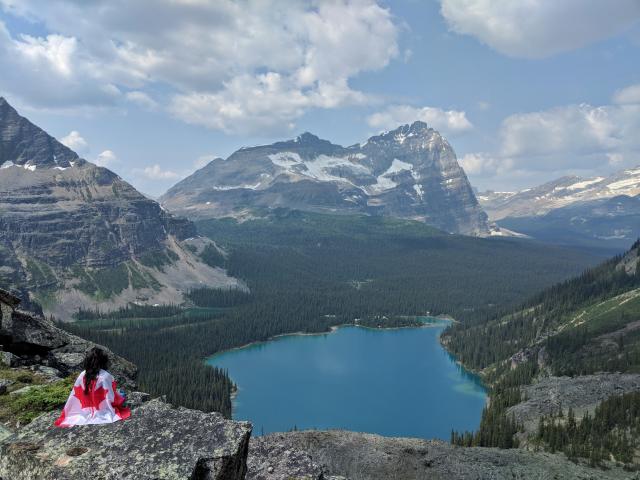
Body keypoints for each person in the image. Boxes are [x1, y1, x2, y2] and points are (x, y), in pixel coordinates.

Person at [54, 347, 131, 427]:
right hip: (102, 410)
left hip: (83, 411)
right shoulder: (105, 376)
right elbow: (111, 398)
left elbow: (76, 395)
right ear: (103, 362)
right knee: (122, 394)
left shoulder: (82, 374)